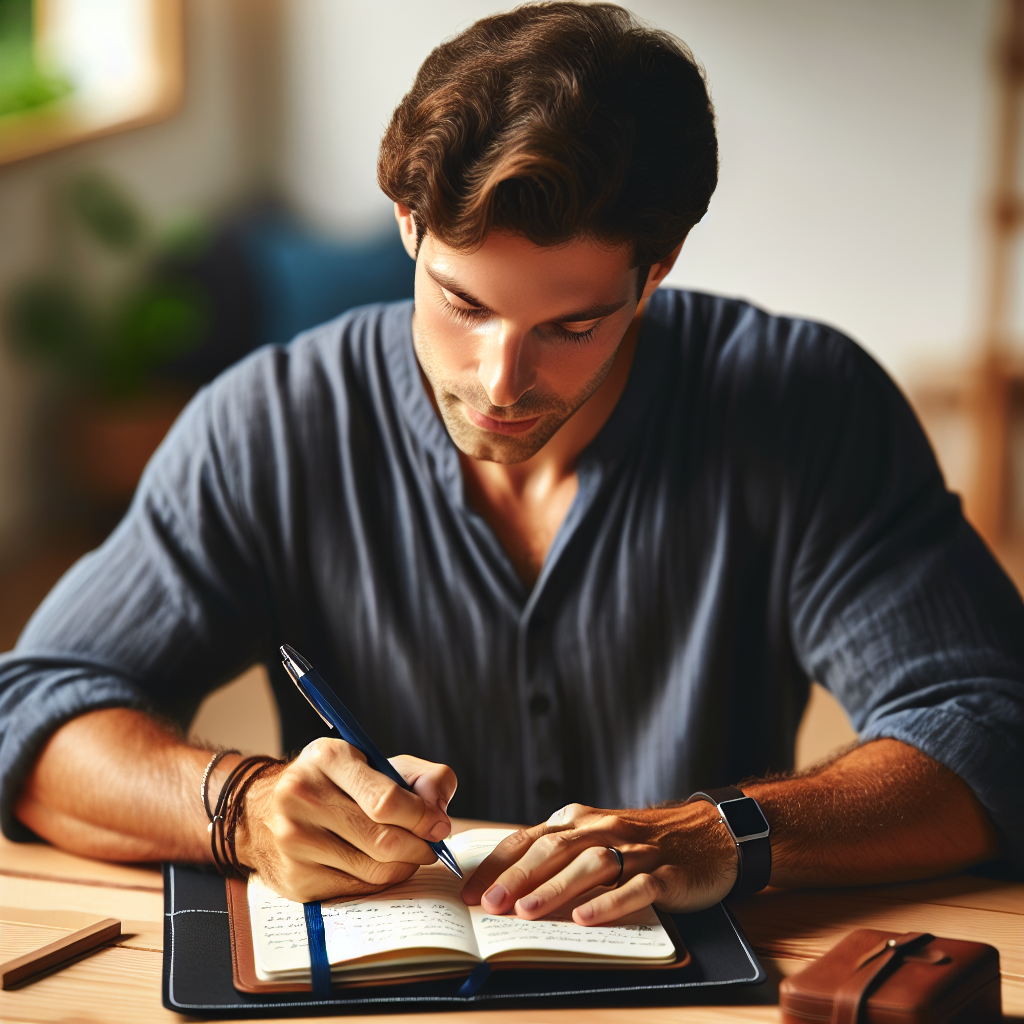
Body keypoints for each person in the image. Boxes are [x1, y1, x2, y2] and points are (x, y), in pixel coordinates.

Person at [1, 2, 1021, 928]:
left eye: (572, 324)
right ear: (408, 227)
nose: (500, 380)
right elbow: (33, 717)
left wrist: (714, 836)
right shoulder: (266, 422)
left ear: (654, 270)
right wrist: (244, 806)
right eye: (463, 304)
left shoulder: (808, 404)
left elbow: (991, 733)